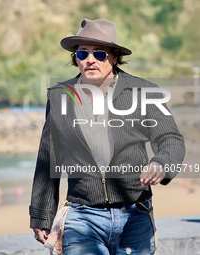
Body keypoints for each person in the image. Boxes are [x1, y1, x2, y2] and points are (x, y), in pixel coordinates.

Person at [29, 18, 185, 254]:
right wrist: (41, 214)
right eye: (83, 54)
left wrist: (161, 163)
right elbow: (48, 157)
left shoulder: (144, 91)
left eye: (99, 54)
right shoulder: (59, 96)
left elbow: (170, 139)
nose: (90, 60)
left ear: (114, 56)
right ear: (76, 58)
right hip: (82, 217)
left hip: (136, 214)